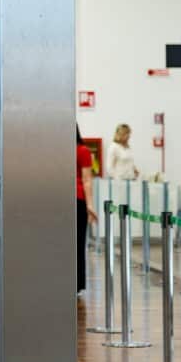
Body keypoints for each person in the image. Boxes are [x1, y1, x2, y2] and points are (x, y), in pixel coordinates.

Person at [77, 126, 98, 295]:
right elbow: (87, 180)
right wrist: (90, 205)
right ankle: (77, 282)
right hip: (77, 200)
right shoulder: (83, 150)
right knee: (78, 242)